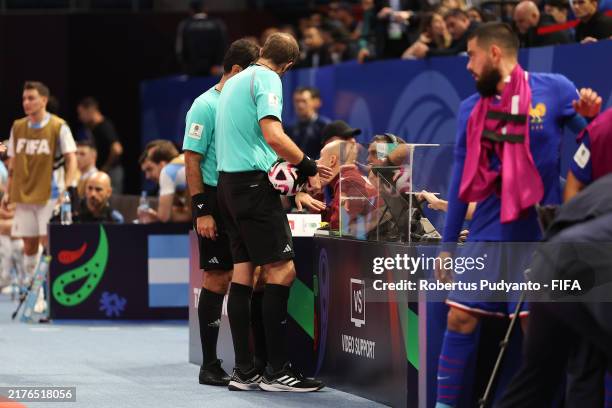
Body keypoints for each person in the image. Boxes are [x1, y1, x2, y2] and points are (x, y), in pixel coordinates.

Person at [433, 23, 599, 408]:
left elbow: (595, 141)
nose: (468, 66)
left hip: (538, 239)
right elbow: (460, 179)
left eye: (471, 55)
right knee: (459, 319)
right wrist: (446, 247)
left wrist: (591, 119)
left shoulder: (555, 88)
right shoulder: (470, 108)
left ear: (494, 53)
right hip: (487, 234)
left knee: (536, 333)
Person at [215, 32, 329, 392]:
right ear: (289, 66)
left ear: (262, 51)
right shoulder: (267, 79)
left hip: (228, 187)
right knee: (282, 270)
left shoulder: (235, 82)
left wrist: (291, 183)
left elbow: (252, 143)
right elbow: (272, 135)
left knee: (244, 274)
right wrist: (308, 166)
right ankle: (277, 371)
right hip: (251, 188)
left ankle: (245, 371)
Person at [182, 38, 260, 386]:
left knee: (249, 275)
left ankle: (253, 362)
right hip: (213, 198)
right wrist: (201, 210)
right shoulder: (204, 105)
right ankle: (210, 364)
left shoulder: (244, 105)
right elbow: (191, 159)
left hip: (240, 196)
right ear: (237, 71)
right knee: (217, 278)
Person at [3, 81, 77, 283]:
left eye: (31, 98)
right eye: (24, 98)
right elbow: (13, 163)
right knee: (29, 244)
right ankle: (32, 290)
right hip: (24, 194)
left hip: (51, 193)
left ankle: (47, 291)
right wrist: (8, 192)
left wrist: (67, 188)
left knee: (49, 244)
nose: (26, 102)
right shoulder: (17, 127)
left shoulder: (58, 126)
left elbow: (72, 159)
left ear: (43, 100)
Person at [319, 139, 376, 230]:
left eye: (321, 157)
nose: (317, 162)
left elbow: (338, 227)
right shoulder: (348, 178)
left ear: (332, 161)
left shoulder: (348, 181)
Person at [76, 97, 124, 194]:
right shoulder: (93, 128)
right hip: (105, 171)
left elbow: (117, 149)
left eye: (81, 113)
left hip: (111, 173)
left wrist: (106, 168)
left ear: (90, 110)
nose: (80, 117)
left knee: (110, 200)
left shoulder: (105, 126)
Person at [138, 140, 190, 223]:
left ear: (162, 164)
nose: (147, 177)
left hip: (209, 221)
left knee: (194, 233)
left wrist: (155, 216)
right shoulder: (183, 163)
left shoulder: (167, 171)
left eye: (150, 169)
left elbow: (164, 217)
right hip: (212, 214)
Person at [175, 0, 228, 76]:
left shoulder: (185, 25)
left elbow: (180, 50)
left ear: (191, 10)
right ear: (204, 9)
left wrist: (186, 66)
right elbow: (223, 45)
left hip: (192, 70)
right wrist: (219, 65)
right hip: (214, 70)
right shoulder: (217, 24)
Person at [286, 87, 331, 159]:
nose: (300, 105)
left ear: (316, 102)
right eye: (297, 101)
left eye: (304, 101)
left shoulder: (326, 126)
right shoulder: (288, 127)